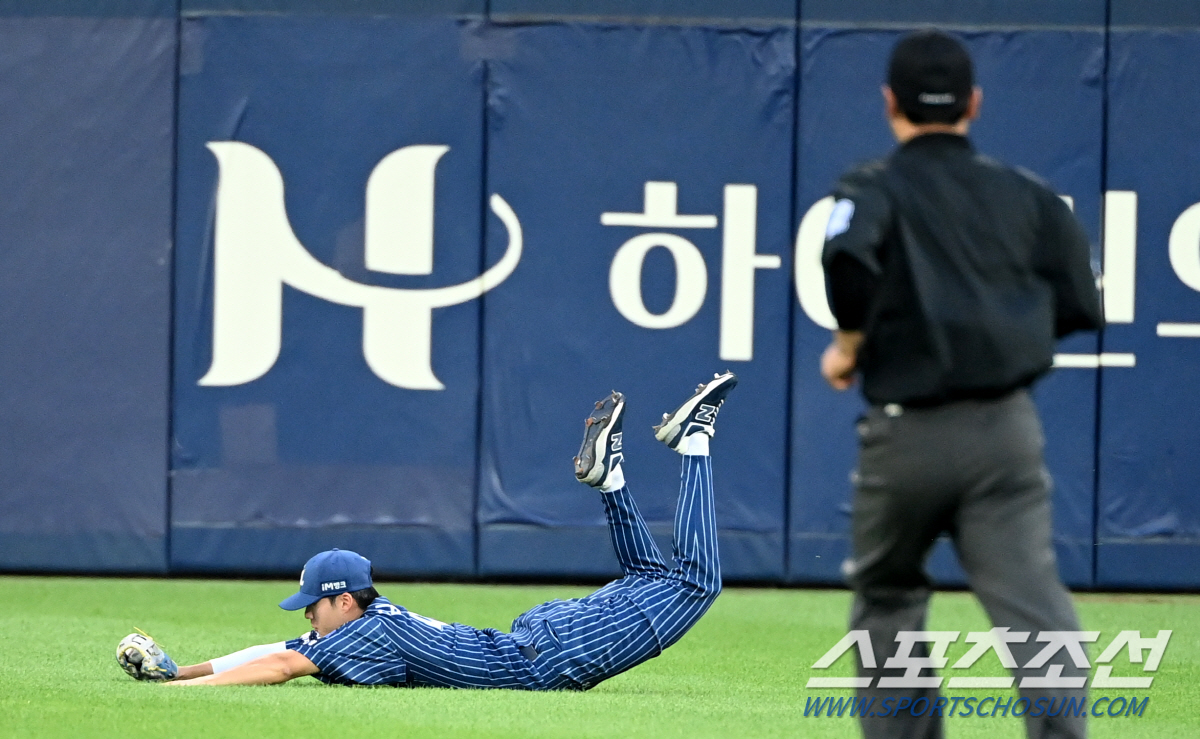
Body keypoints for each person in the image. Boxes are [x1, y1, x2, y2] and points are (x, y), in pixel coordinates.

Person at [817, 31, 1102, 739]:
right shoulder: (1030, 196)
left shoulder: (869, 186)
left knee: (888, 599)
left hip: (903, 430)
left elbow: (846, 260)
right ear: (974, 103)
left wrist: (851, 343)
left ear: (890, 103)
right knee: (1034, 609)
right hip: (1003, 430)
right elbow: (1080, 303)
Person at [116, 372, 737, 691]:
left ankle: (694, 442)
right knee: (658, 579)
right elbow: (273, 650)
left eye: (313, 606)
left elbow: (279, 665)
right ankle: (613, 483)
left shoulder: (369, 633)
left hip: (544, 655)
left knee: (694, 582)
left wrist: (177, 700)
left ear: (342, 601)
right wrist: (182, 673)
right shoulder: (368, 626)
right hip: (537, 645)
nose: (307, 617)